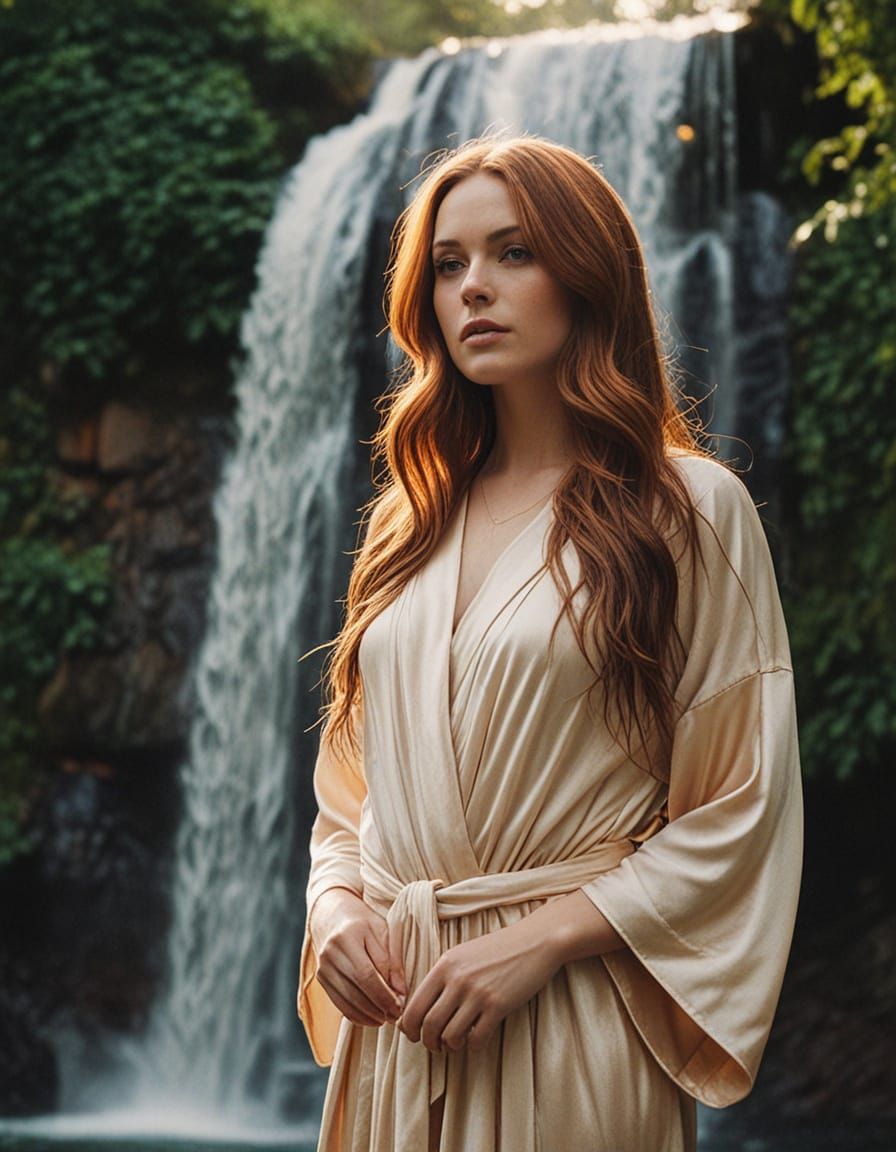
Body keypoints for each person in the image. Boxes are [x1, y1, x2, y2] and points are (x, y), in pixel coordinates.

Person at [296, 135, 803, 1152]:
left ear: (586, 272)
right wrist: (337, 913)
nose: (473, 287)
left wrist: (536, 941)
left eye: (513, 252)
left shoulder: (687, 508)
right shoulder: (408, 522)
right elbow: (348, 802)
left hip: (565, 1014)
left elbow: (739, 803)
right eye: (448, 264)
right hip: (396, 1022)